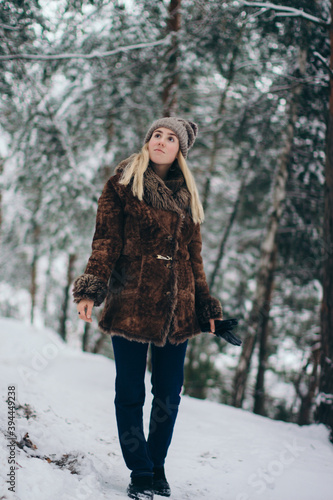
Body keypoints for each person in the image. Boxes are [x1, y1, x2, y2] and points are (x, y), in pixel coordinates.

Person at [72, 117, 223, 500]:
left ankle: (157, 466)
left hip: (179, 306)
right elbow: (105, 240)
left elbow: (195, 257)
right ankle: (140, 471)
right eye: (157, 134)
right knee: (129, 391)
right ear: (148, 140)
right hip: (132, 301)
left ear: (180, 150)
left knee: (169, 393)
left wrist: (206, 305)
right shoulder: (123, 184)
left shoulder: (188, 194)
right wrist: (92, 288)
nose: (161, 141)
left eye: (171, 138)